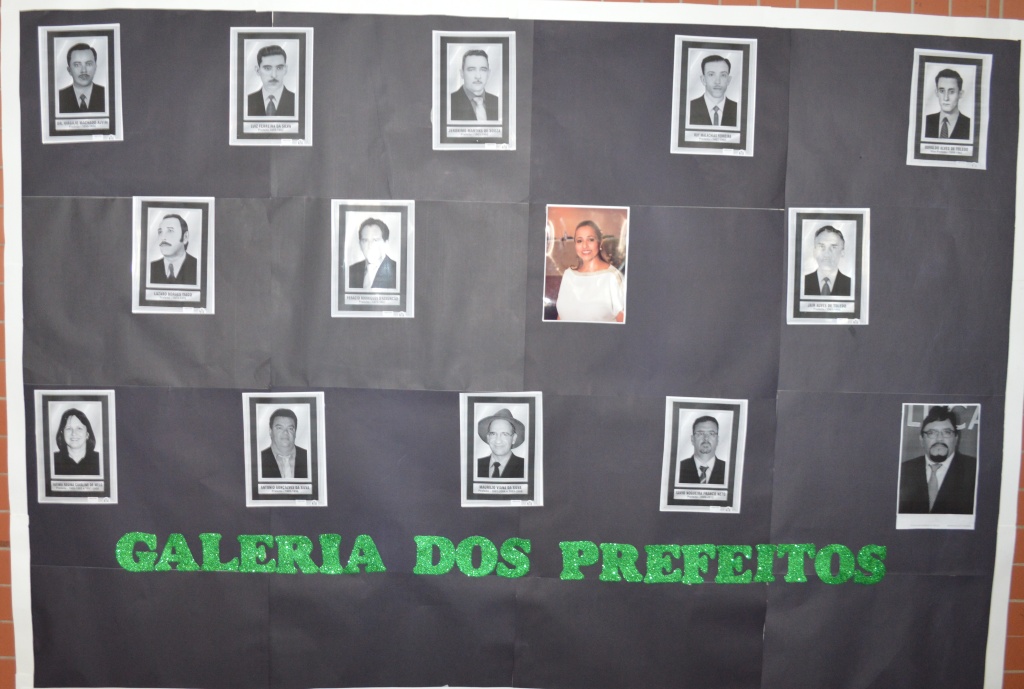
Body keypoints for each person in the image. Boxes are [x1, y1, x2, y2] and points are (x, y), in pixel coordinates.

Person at [898, 406, 977, 514]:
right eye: (931, 433)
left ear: (956, 438)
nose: (939, 438)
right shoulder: (904, 470)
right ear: (921, 439)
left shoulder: (974, 470)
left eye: (947, 432)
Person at [555, 220, 625, 322]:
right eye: (579, 241)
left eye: (591, 240)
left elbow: (624, 324)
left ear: (600, 243)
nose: (585, 246)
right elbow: (561, 316)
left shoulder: (613, 277)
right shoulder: (568, 275)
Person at [450, 49, 499, 121]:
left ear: (488, 73)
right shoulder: (448, 102)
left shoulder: (498, 102)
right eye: (471, 69)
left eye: (483, 69)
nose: (478, 76)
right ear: (462, 73)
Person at [688, 54, 737, 127]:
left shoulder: (738, 109)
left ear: (728, 80)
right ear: (703, 79)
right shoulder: (689, 108)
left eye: (723, 75)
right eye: (711, 74)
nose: (717, 81)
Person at [348, 217, 397, 289]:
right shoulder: (351, 271)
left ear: (386, 243)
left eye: (375, 240)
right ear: (360, 244)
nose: (370, 246)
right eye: (365, 240)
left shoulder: (397, 271)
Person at [476, 408, 526, 479]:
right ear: (488, 438)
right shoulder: (476, 465)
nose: (498, 441)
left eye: (505, 434)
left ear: (514, 438)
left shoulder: (525, 467)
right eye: (493, 434)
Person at [149, 214, 198, 285]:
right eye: (160, 232)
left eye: (170, 231)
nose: (163, 237)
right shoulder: (150, 268)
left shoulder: (199, 268)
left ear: (185, 237)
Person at [247, 45, 295, 117]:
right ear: (257, 70)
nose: (274, 75)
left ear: (285, 70)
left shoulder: (297, 101)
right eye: (267, 68)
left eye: (279, 68)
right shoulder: (247, 101)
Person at [677, 416, 727, 485]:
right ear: (692, 439)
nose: (706, 438)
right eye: (700, 434)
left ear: (717, 440)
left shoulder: (728, 470)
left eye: (711, 434)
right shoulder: (678, 468)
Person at [260, 409, 309, 480]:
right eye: (279, 428)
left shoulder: (308, 458)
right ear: (270, 432)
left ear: (295, 432)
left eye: (290, 428)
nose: (285, 432)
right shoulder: (259, 459)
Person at [803, 225, 851, 297]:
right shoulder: (803, 282)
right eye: (821, 246)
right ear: (814, 251)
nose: (827, 253)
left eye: (833, 247)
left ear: (842, 252)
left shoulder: (851, 285)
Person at [57, 43, 105, 114]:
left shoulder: (106, 94)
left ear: (95, 67)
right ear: (69, 70)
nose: (84, 70)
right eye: (77, 65)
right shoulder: (59, 97)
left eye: (89, 64)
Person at [925, 68, 971, 140]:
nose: (946, 98)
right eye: (942, 91)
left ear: (960, 94)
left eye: (951, 92)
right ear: (936, 93)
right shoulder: (926, 121)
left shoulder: (970, 125)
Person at [52, 408, 100, 476]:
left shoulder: (100, 460)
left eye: (79, 428)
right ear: (62, 433)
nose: (74, 433)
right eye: (69, 428)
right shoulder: (52, 460)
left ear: (87, 434)